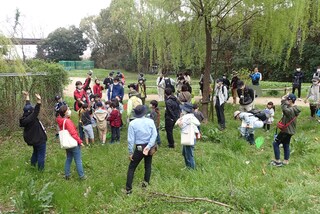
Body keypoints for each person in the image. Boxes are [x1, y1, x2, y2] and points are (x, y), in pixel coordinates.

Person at [125, 105, 157, 195]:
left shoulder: (132, 123)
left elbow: (131, 139)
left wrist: (131, 152)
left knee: (132, 167)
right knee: (148, 166)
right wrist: (149, 145)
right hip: (149, 147)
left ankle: (128, 189)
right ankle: (145, 185)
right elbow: (154, 135)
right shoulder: (150, 121)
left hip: (139, 148)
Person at [56, 105, 86, 180]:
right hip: (73, 143)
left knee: (69, 158)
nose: (69, 110)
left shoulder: (61, 120)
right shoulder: (68, 121)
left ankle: (67, 175)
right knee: (78, 160)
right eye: (68, 109)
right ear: (65, 112)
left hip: (67, 143)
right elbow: (73, 133)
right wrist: (80, 141)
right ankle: (82, 176)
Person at [19, 91, 47, 171]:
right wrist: (39, 101)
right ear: (31, 112)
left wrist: (27, 96)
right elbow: (36, 111)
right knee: (41, 155)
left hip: (32, 140)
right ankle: (40, 171)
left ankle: (32, 166)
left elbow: (27, 106)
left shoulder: (24, 118)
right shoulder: (32, 117)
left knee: (35, 152)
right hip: (39, 139)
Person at [271, 93, 300, 166]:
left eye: (288, 100)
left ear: (291, 101)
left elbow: (285, 110)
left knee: (275, 143)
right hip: (290, 131)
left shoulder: (290, 110)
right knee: (286, 145)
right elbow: (285, 107)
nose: (286, 101)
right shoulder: (295, 108)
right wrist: (284, 99)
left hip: (286, 131)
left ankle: (277, 161)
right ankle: (286, 161)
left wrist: (283, 101)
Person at [175, 102, 200, 169]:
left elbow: (179, 125)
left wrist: (180, 119)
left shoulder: (185, 117)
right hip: (191, 137)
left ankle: (191, 168)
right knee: (185, 153)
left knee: (188, 154)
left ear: (185, 110)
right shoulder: (192, 116)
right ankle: (188, 166)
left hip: (188, 137)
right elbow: (198, 123)